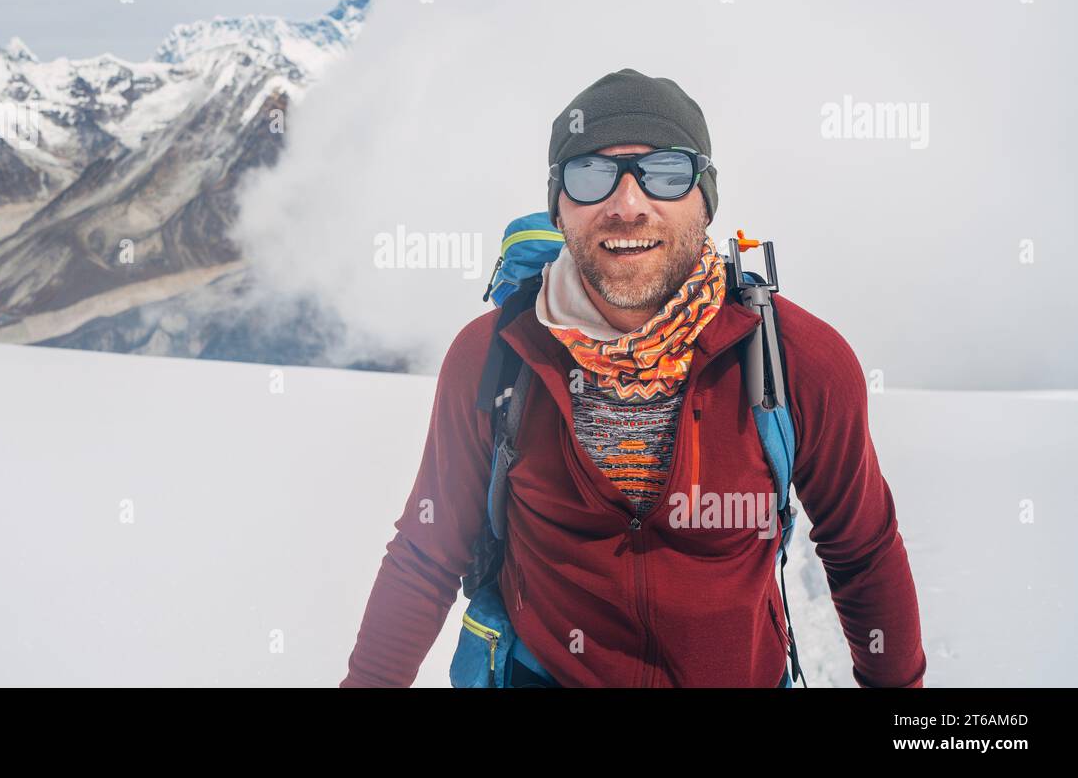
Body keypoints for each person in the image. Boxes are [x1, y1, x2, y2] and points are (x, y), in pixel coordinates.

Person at [340, 69, 927, 688]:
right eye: (590, 175)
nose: (627, 205)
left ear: (705, 198)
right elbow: (427, 555)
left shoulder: (797, 359)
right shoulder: (493, 356)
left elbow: (862, 551)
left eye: (666, 173)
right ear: (559, 205)